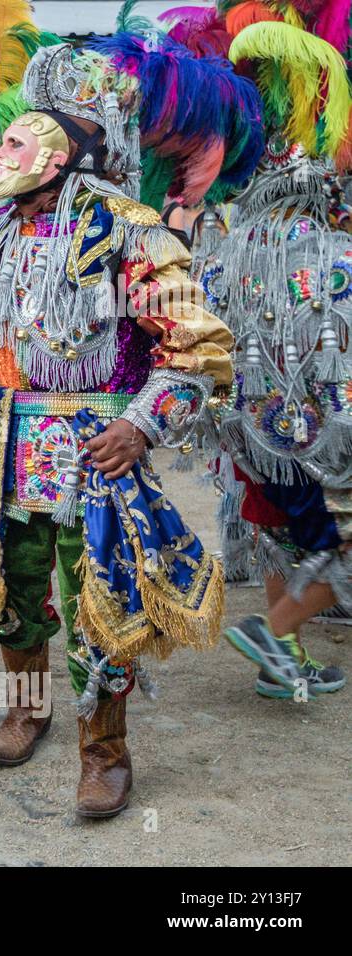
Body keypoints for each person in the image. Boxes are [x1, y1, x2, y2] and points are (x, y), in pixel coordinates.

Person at [0, 40, 241, 817]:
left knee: (99, 598)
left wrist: (143, 427)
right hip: (7, 445)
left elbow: (195, 347)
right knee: (14, 590)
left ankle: (104, 748)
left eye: (16, 140)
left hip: (97, 451)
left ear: (55, 158)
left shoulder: (127, 229)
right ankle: (26, 707)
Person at [210, 18, 349, 700]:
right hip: (326, 428)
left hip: (251, 423)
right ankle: (275, 631)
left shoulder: (232, 243)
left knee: (277, 525)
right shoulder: (328, 249)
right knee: (337, 543)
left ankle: (281, 658)